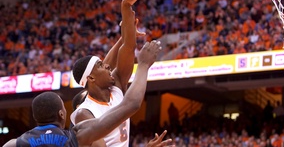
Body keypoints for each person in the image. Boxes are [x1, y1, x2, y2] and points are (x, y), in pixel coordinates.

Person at [3, 40, 173, 147]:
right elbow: (132, 104)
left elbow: (103, 68)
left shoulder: (18, 142)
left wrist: (124, 36)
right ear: (62, 114)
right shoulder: (77, 135)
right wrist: (143, 64)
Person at [71, 0, 153, 147]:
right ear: (91, 77)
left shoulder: (116, 87)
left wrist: (126, 7)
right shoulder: (84, 113)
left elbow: (129, 47)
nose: (108, 66)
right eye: (101, 65)